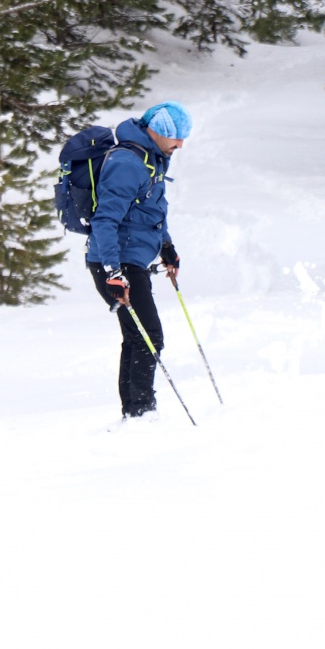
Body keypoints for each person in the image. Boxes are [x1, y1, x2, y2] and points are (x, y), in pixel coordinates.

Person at [87, 100, 192, 419]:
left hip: (132, 259)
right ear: (157, 130)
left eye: (184, 137)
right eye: (175, 136)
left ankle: (136, 412)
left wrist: (166, 246)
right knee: (149, 336)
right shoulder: (127, 163)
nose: (180, 144)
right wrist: (113, 271)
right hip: (118, 262)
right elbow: (104, 220)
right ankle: (141, 412)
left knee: (138, 336)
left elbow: (152, 210)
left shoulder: (154, 159)